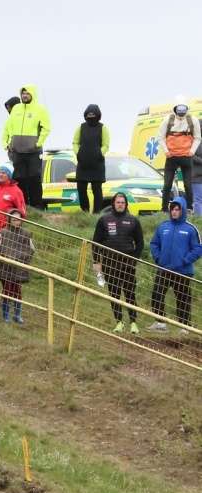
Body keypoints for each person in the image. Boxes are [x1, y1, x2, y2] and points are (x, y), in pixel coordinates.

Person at [92, 192, 144, 334]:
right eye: (118, 202)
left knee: (130, 294)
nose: (120, 204)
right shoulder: (104, 220)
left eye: (122, 202)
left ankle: (133, 322)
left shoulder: (133, 220)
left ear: (126, 204)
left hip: (128, 265)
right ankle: (119, 322)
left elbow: (140, 243)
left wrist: (134, 260)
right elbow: (95, 243)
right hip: (110, 265)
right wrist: (96, 262)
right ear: (113, 204)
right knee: (114, 294)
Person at [147, 196, 202, 332]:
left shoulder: (190, 229)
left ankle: (184, 326)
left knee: (183, 299)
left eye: (177, 209)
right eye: (173, 209)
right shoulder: (163, 227)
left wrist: (184, 260)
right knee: (157, 294)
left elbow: (198, 248)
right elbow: (154, 244)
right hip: (164, 268)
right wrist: (158, 258)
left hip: (183, 271)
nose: (174, 212)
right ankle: (160, 323)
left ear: (182, 210)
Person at [2, 85, 51, 210]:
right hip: (18, 151)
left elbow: (46, 128)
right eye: (23, 93)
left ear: (32, 94)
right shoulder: (16, 108)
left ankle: (37, 206)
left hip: (33, 151)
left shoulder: (40, 109)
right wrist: (6, 144)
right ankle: (24, 206)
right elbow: (8, 127)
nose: (24, 95)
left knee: (34, 178)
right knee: (20, 179)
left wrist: (38, 143)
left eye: (27, 93)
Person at [157, 100, 200, 214]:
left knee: (188, 185)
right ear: (175, 110)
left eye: (183, 113)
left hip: (186, 156)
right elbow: (160, 137)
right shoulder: (168, 119)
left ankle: (190, 208)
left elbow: (197, 137)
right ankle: (164, 209)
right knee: (167, 184)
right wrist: (166, 151)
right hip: (171, 157)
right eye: (179, 113)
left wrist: (192, 151)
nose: (181, 116)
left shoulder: (193, 120)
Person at [0, 210, 35, 324]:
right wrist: (7, 256)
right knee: (7, 290)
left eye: (19, 219)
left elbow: (31, 249)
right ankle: (5, 315)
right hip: (6, 267)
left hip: (18, 268)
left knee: (17, 292)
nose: (17, 222)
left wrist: (21, 258)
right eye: (14, 220)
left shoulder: (26, 234)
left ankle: (17, 315)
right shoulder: (3, 232)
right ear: (9, 220)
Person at [73, 104, 110, 213]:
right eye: (89, 114)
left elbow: (106, 145)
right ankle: (85, 212)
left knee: (97, 189)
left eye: (93, 114)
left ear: (98, 115)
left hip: (97, 164)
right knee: (81, 189)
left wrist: (99, 153)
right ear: (85, 115)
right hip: (82, 164)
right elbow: (75, 142)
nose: (91, 116)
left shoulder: (103, 128)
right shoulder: (81, 127)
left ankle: (96, 213)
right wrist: (78, 153)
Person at [0, 165, 26, 248]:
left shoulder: (16, 191)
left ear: (9, 175)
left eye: (3, 173)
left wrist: (11, 228)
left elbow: (22, 213)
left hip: (5, 232)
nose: (0, 174)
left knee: (2, 255)